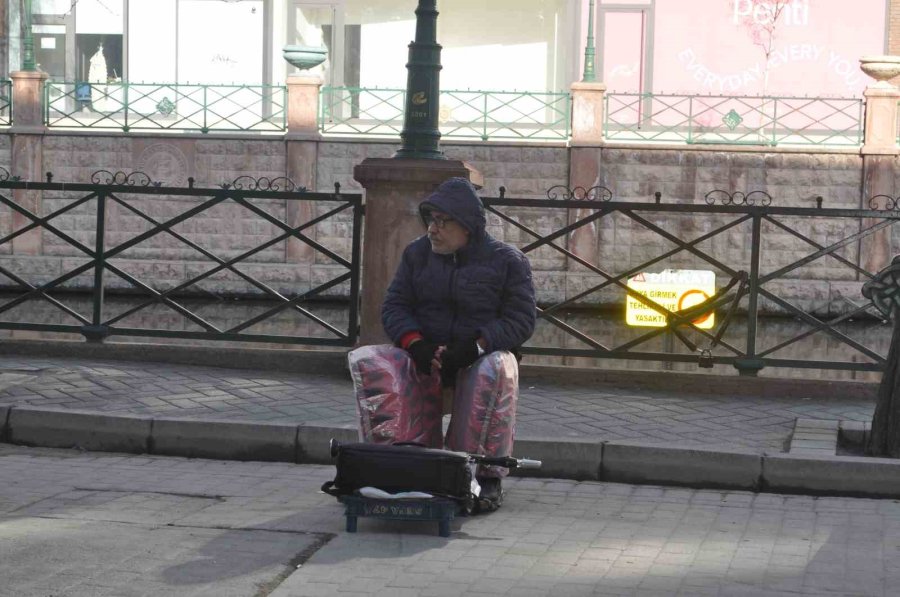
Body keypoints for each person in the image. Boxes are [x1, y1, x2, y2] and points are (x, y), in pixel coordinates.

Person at [348, 177, 536, 512]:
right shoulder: (417, 254)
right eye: (430, 220)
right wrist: (415, 344)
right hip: (425, 354)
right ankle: (400, 466)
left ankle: (485, 475)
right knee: (372, 360)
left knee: (495, 368)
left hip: (477, 356)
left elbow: (520, 320)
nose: (432, 229)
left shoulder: (507, 260)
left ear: (467, 226)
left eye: (442, 221)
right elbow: (395, 307)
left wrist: (476, 346)